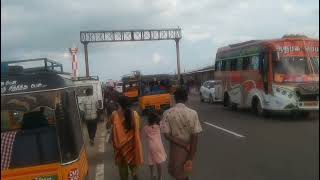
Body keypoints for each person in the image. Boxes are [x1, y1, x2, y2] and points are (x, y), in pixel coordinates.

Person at [160, 87, 202, 180]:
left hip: (175, 150)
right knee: (185, 175)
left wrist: (182, 144)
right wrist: (190, 158)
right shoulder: (193, 113)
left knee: (178, 176)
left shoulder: (167, 113)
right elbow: (195, 137)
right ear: (186, 98)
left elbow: (166, 135)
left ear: (175, 98)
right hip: (189, 150)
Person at [109, 95, 144, 180]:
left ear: (118, 104)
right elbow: (139, 128)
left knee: (123, 169)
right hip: (132, 146)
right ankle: (134, 174)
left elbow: (108, 125)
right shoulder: (135, 114)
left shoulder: (114, 115)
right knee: (133, 166)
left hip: (120, 148)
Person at [143, 111, 167, 180]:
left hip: (151, 146)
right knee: (158, 162)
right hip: (158, 145)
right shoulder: (158, 126)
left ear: (148, 120)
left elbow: (144, 137)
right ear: (155, 119)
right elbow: (163, 122)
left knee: (151, 160)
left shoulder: (146, 128)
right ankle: (160, 177)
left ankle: (152, 174)